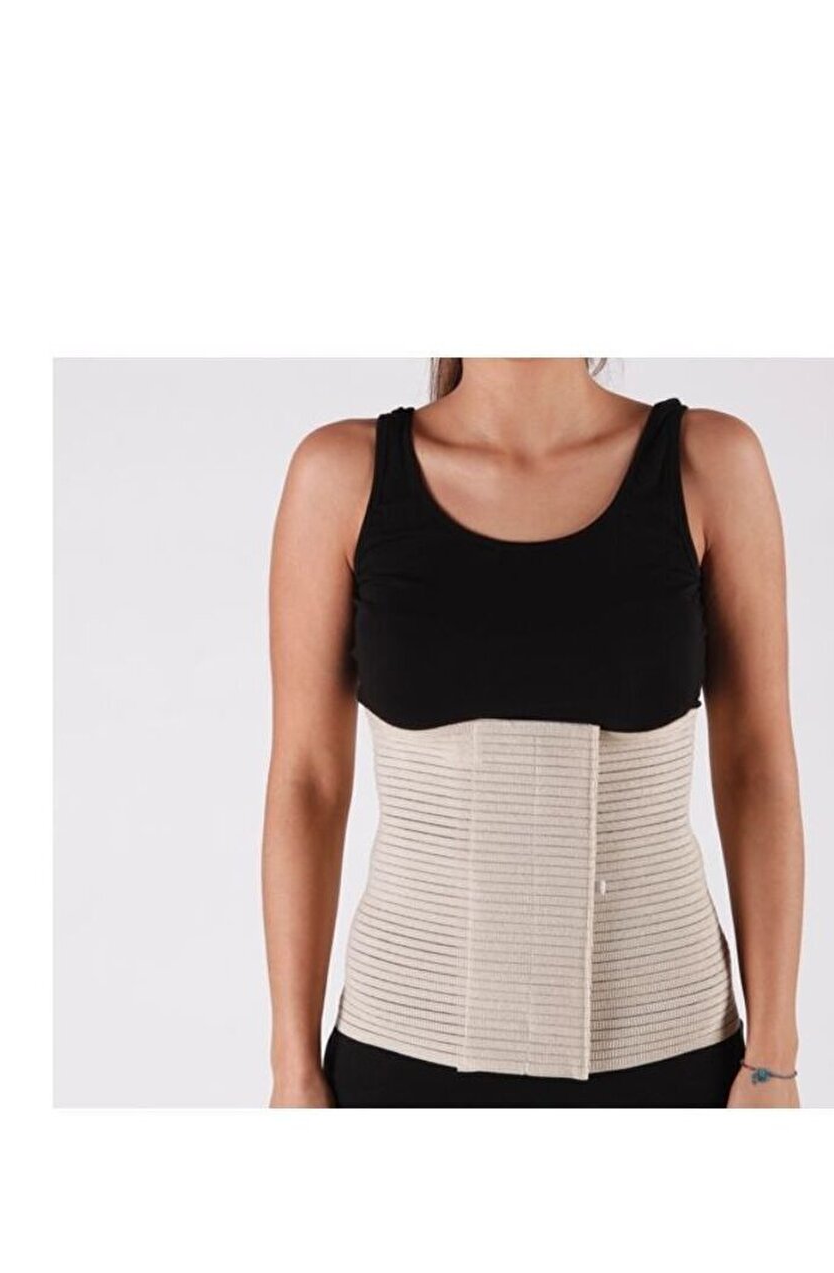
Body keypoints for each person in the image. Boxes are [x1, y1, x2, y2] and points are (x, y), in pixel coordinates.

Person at [261, 358, 804, 1106]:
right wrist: (292, 1068)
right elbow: (308, 783)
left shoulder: (710, 464)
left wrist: (773, 1058)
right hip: (403, 1056)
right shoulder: (340, 476)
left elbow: (756, 766)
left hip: (667, 1056)